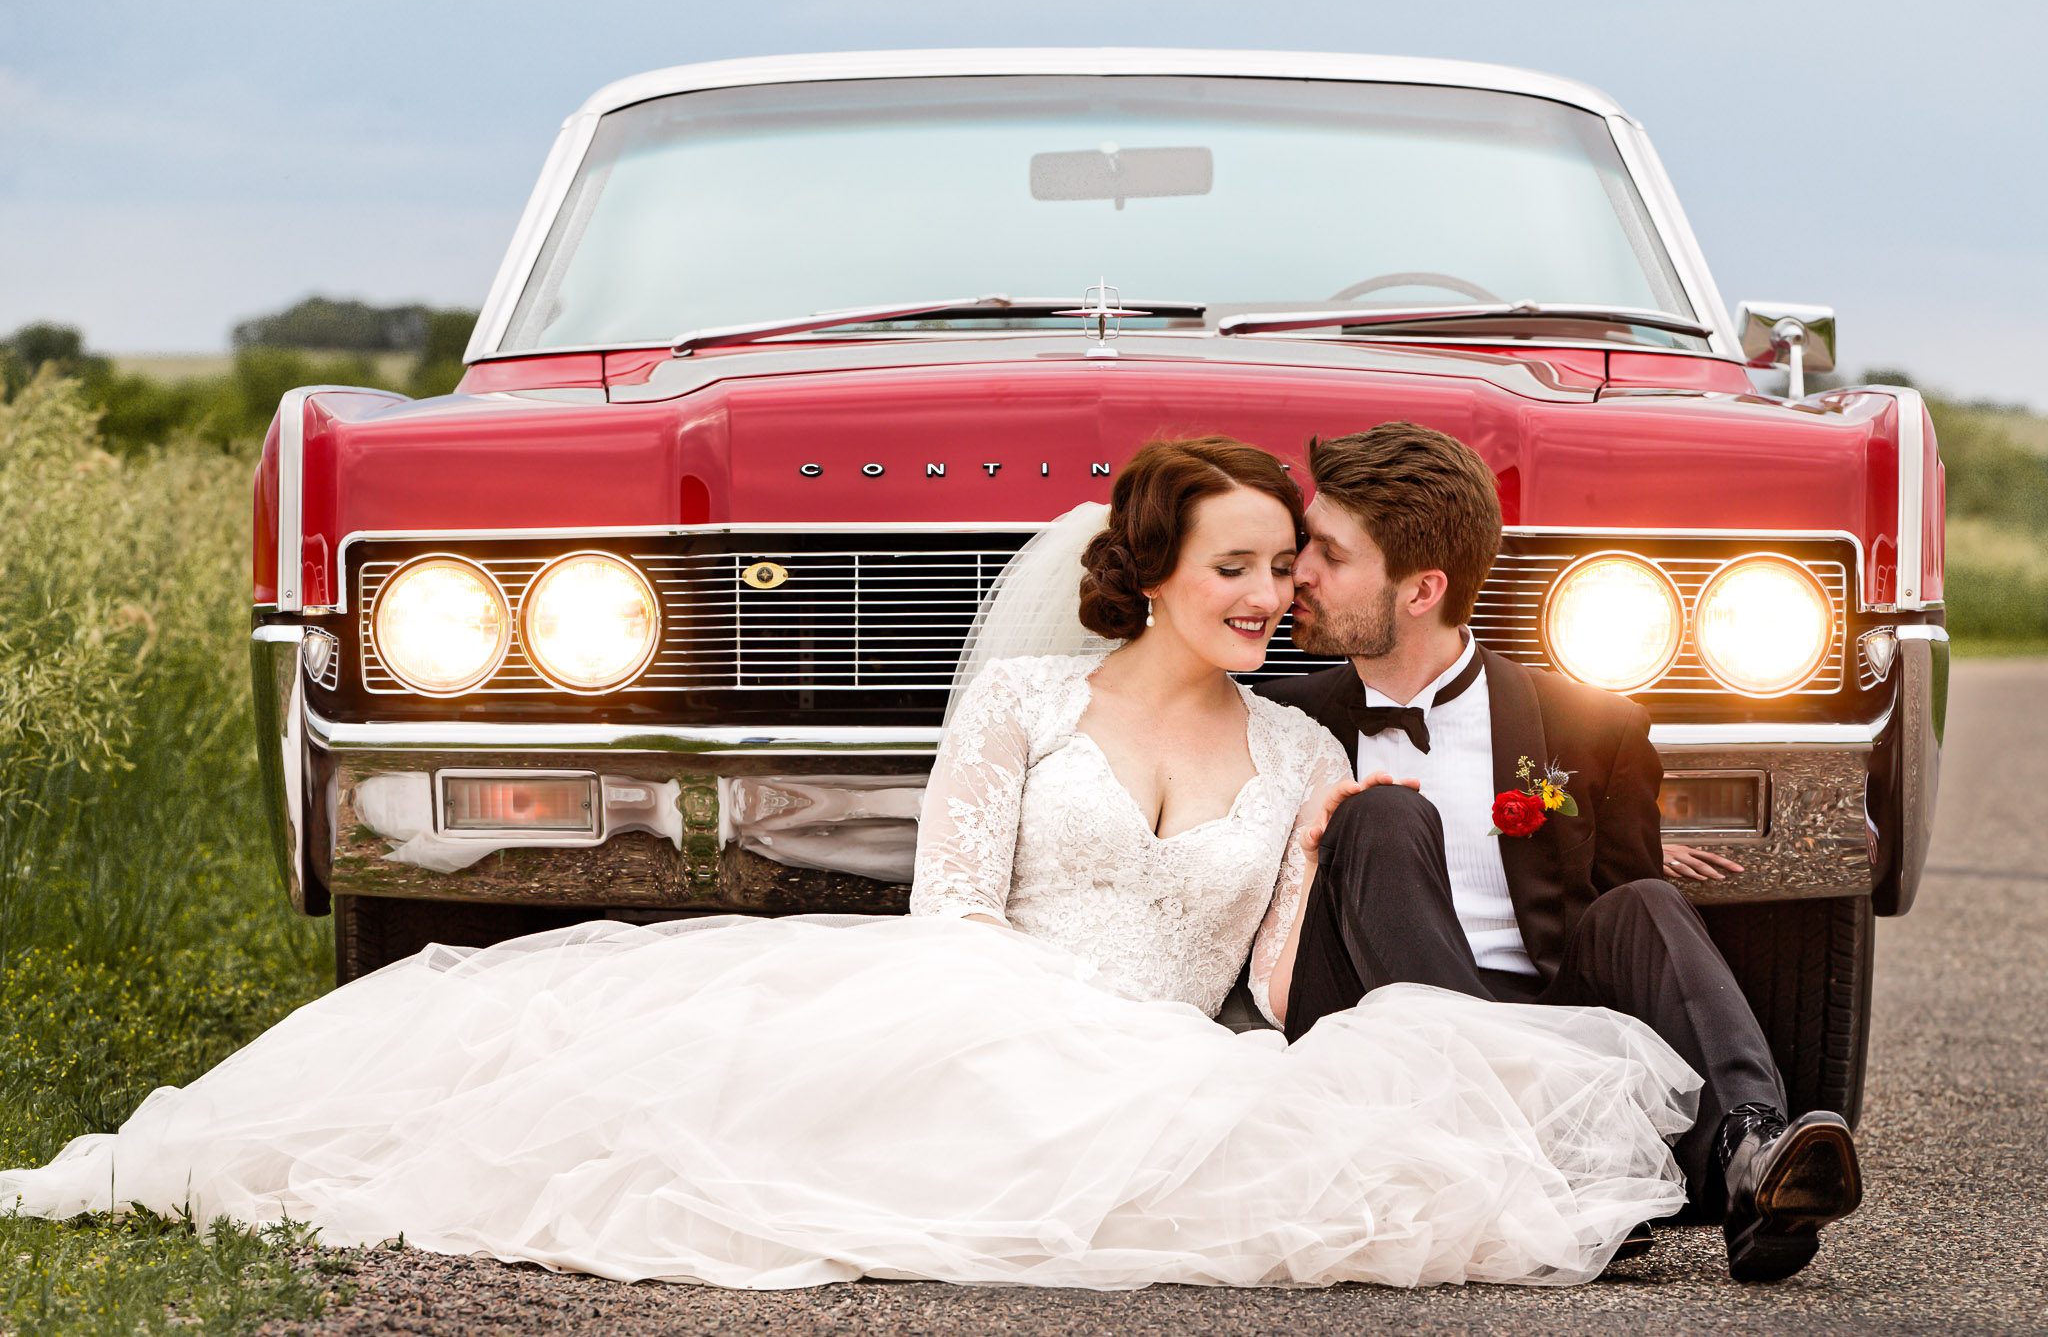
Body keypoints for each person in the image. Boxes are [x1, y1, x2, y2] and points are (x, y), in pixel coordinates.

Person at [0, 437, 1698, 1290]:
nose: (1273, 600)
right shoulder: (1025, 706)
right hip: (975, 1011)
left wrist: (1265, 997)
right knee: (638, 1134)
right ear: (1156, 574)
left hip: (1175, 1057)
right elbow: (951, 922)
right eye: (1240, 568)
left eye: (1286, 573)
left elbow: (1262, 983)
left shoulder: (1306, 750)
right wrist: (1043, 1047)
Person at [1253, 422, 1863, 1284]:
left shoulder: (1592, 723)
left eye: (1327, 552)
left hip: (1545, 1022)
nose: (1297, 572)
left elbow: (1622, 902)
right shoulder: (1280, 720)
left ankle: (1752, 1158)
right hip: (1371, 1034)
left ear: (1423, 588)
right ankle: (1544, 1162)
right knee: (1383, 817)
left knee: (1646, 903)